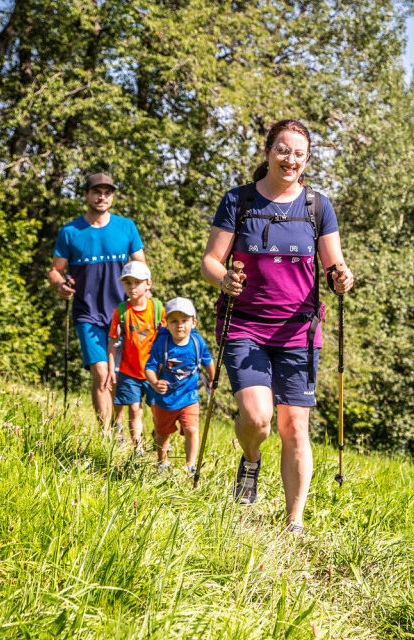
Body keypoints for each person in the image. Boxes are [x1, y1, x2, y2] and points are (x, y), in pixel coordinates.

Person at [201, 119, 354, 534]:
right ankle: (251, 460)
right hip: (245, 325)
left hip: (298, 331)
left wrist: (342, 277)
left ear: (307, 160)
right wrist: (223, 280)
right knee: (257, 418)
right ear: (268, 151)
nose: (290, 159)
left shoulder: (317, 206)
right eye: (283, 150)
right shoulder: (240, 201)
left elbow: (334, 264)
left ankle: (294, 522)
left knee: (295, 426)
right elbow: (211, 260)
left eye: (299, 154)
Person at [47, 173, 147, 432]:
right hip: (86, 313)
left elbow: (141, 266)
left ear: (112, 197)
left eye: (107, 192)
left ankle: (116, 426)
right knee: (101, 373)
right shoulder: (70, 232)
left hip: (121, 314)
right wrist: (60, 285)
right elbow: (55, 270)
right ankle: (106, 435)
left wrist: (144, 298)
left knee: (117, 375)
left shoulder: (126, 227)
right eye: (96, 192)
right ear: (86, 195)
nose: (102, 197)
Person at [144, 298, 215, 473]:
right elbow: (149, 367)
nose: (180, 325)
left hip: (190, 396)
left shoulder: (198, 343)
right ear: (166, 324)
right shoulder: (162, 344)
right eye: (174, 321)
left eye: (184, 320)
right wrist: (154, 383)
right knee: (163, 433)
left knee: (192, 429)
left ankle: (190, 466)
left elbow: (208, 361)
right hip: (165, 399)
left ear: (193, 322)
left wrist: (213, 379)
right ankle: (162, 463)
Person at [105, 261, 164, 451]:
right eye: (127, 282)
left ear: (148, 284)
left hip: (154, 371)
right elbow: (113, 342)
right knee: (134, 409)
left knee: (156, 408)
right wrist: (111, 369)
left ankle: (158, 436)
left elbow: (167, 337)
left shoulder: (157, 310)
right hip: (129, 370)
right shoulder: (121, 312)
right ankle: (137, 449)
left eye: (137, 282)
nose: (132, 287)